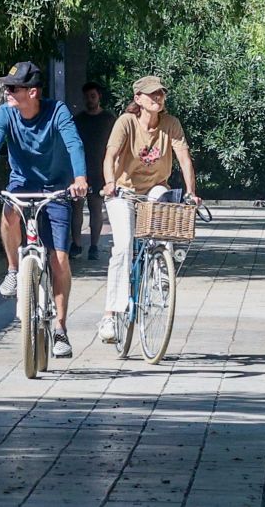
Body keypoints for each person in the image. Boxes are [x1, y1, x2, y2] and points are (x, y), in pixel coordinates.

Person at [0, 61, 88, 358]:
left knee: (59, 259)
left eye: (13, 88)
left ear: (33, 92)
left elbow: (74, 144)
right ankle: (13, 269)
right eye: (6, 87)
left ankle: (60, 329)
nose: (7, 92)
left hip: (56, 187)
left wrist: (79, 179)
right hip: (22, 184)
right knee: (9, 210)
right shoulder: (5, 113)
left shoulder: (57, 112)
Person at [96, 75, 202, 344]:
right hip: (123, 190)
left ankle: (161, 265)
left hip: (154, 187)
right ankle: (110, 315)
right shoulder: (126, 122)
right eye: (152, 94)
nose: (158, 98)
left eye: (161, 93)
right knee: (123, 247)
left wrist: (191, 192)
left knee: (164, 207)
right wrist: (110, 183)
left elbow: (184, 159)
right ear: (138, 99)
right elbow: (110, 156)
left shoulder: (171, 124)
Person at [70, 82, 116, 260]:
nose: (90, 100)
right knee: (77, 207)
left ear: (99, 97)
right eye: (87, 97)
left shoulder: (109, 119)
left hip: (100, 171)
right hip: (80, 170)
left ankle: (94, 246)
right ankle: (76, 244)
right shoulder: (78, 120)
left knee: (96, 208)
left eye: (93, 96)